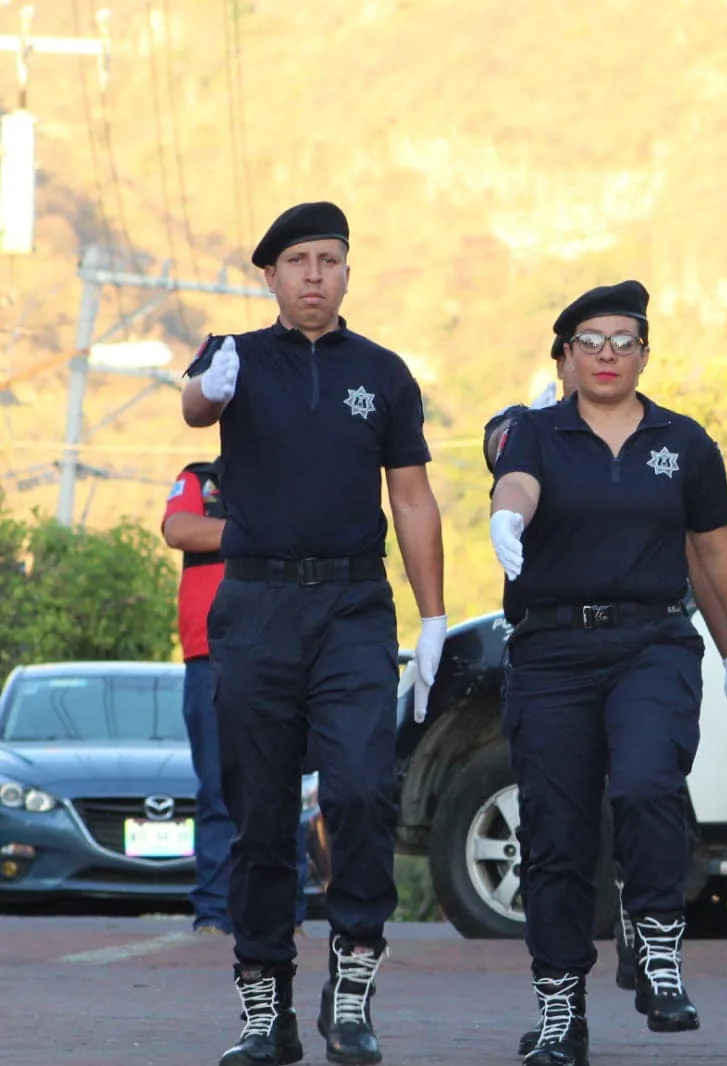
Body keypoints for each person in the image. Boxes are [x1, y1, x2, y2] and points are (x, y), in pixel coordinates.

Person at [181, 201, 448, 1066]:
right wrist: (205, 390)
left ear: (346, 271)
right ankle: (265, 1007)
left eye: (329, 259)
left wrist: (435, 613)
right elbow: (193, 407)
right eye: (298, 260)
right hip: (255, 608)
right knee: (259, 815)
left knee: (362, 792)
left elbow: (410, 496)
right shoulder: (237, 357)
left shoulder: (383, 371)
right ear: (270, 275)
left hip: (352, 608)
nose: (313, 275)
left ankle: (354, 982)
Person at [489, 280, 727, 1066]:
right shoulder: (532, 432)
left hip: (651, 643)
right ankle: (559, 1010)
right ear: (565, 357)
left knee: (647, 785)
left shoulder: (684, 439)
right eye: (591, 342)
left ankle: (654, 940)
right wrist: (509, 515)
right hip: (550, 651)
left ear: (645, 353)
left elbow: (713, 550)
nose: (608, 355)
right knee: (556, 836)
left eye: (624, 342)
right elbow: (518, 480)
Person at [161, 457, 313, 939]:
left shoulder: (289, 472)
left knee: (281, 783)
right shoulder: (199, 477)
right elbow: (179, 529)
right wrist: (251, 532)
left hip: (277, 648)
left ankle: (288, 912)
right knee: (215, 788)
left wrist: (230, 533)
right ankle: (213, 912)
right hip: (207, 654)